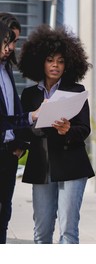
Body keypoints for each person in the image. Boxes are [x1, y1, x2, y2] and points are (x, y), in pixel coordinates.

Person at [17, 24, 95, 244]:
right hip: (41, 165)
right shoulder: (29, 94)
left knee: (68, 232)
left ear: (68, 64)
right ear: (40, 61)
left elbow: (84, 129)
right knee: (41, 232)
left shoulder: (76, 91)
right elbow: (24, 128)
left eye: (61, 61)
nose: (55, 65)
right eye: (50, 60)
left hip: (72, 165)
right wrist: (39, 119)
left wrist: (68, 130)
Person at [0, 14, 39, 244]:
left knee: (4, 214)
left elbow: (11, 109)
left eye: (15, 41)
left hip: (8, 155)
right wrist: (30, 117)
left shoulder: (7, 71)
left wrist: (19, 146)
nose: (12, 47)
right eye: (9, 40)